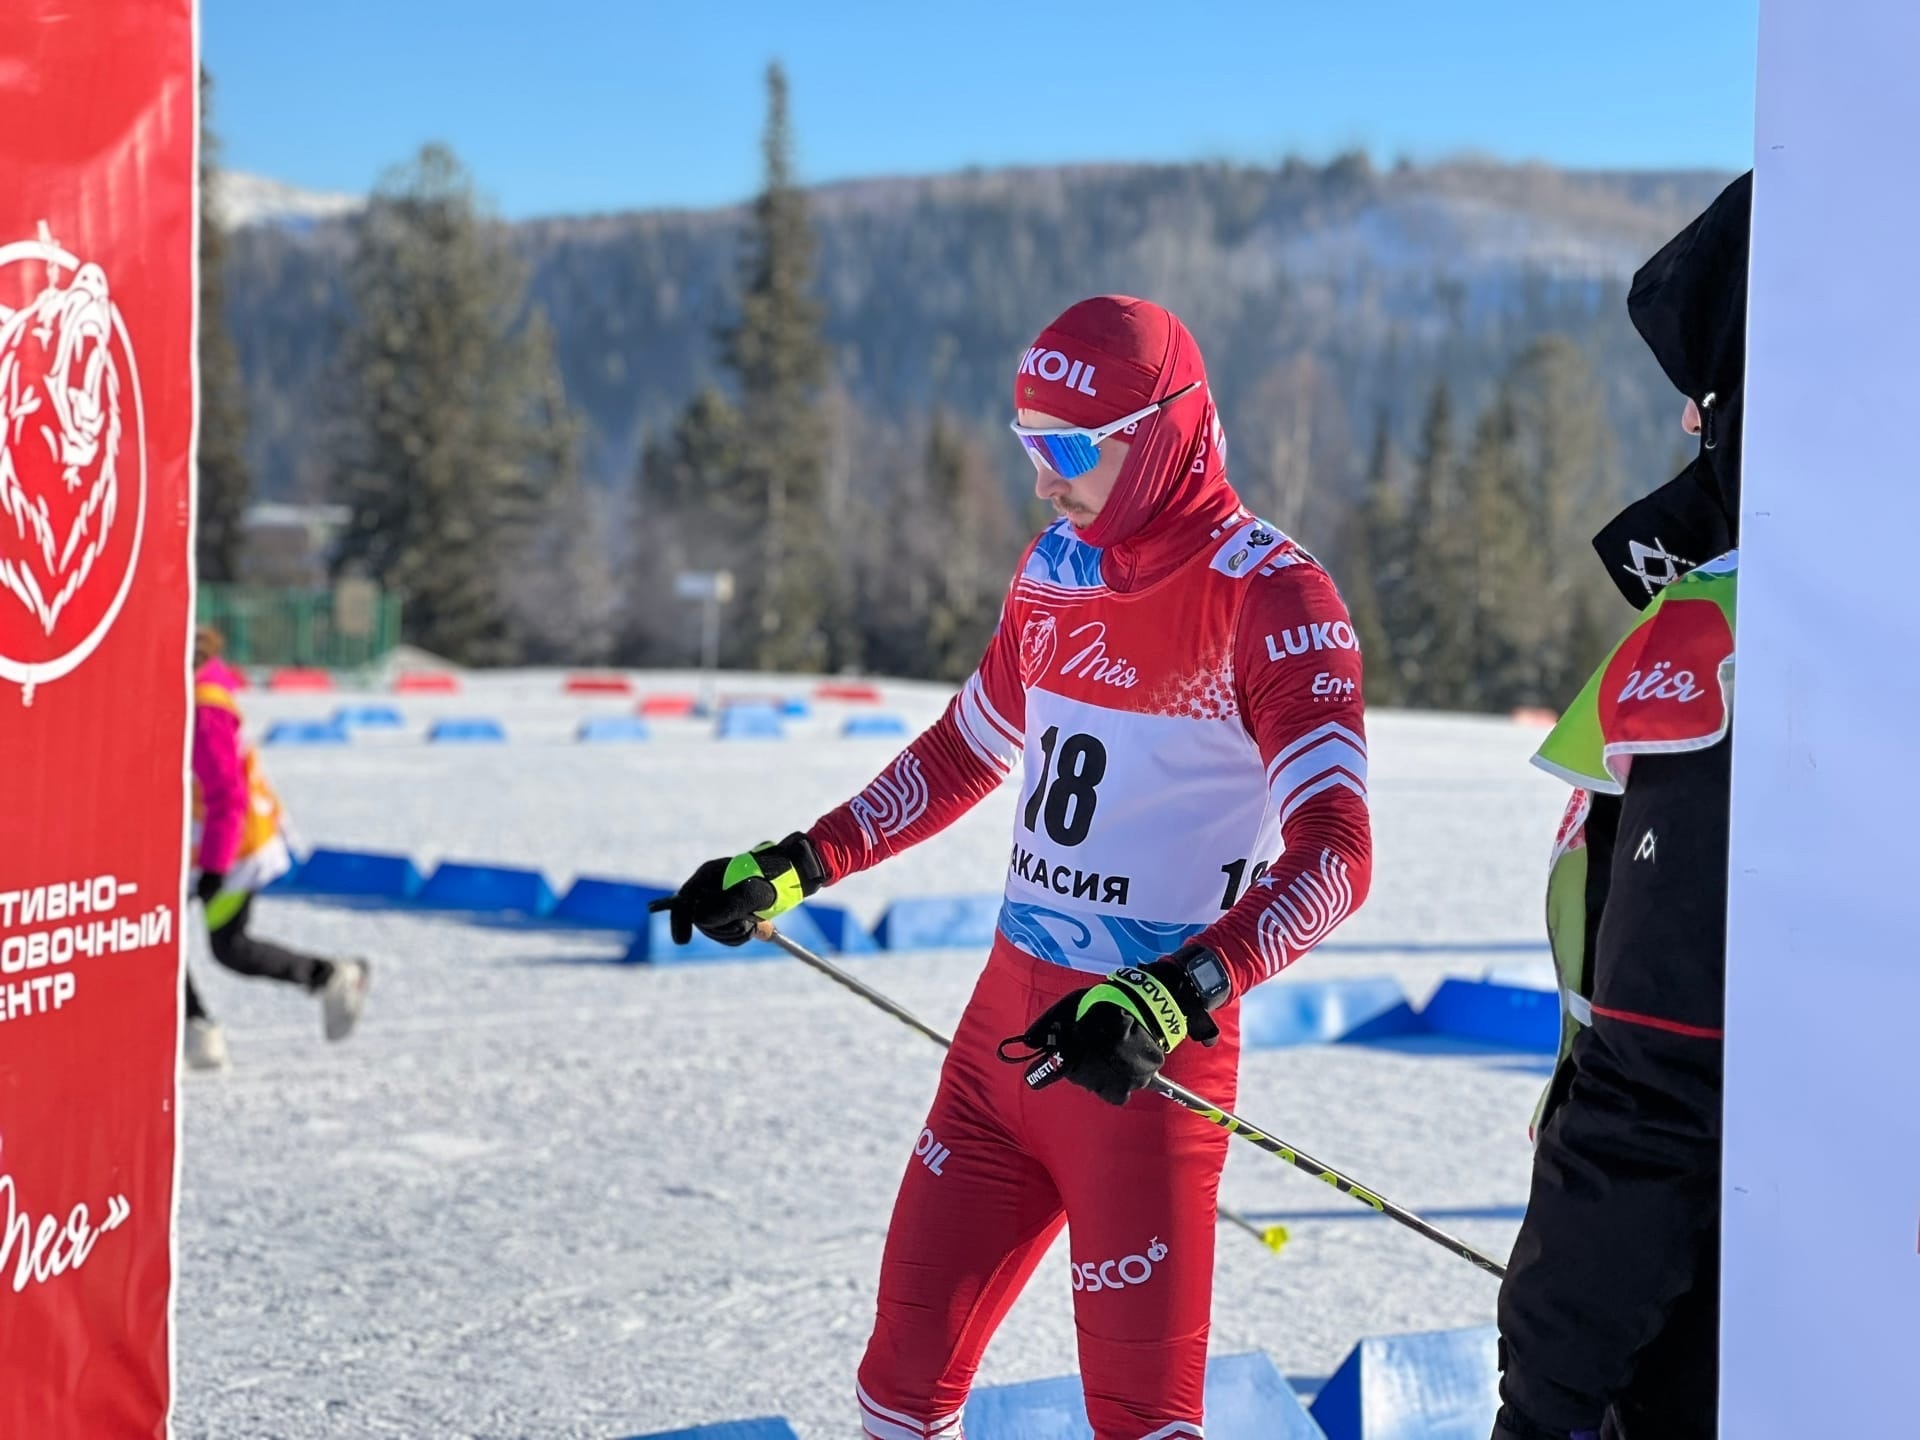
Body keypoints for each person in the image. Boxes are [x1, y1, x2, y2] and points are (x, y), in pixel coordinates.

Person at [659, 296, 1373, 1437]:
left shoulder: (1273, 597)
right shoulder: (1056, 564)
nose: (1044, 481)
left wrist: (1171, 989)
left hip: (1134, 1069)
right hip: (1001, 1046)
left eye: (1069, 449)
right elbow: (966, 751)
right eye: (1028, 445)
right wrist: (796, 863)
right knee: (896, 1388)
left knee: (1144, 1425)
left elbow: (1336, 859)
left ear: (1164, 431)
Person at [1490, 172, 1752, 1440]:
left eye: (1700, 408)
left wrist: (1545, 1396)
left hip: (1729, 1335)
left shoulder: (1734, 643)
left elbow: (1654, 1086)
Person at [185, 626, 371, 1071]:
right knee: (226, 946)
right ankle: (327, 977)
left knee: (168, 938)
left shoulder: (205, 709)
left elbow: (228, 797)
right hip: (214, 845)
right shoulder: (195, 690)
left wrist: (215, 867)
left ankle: (198, 1030)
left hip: (231, 850)